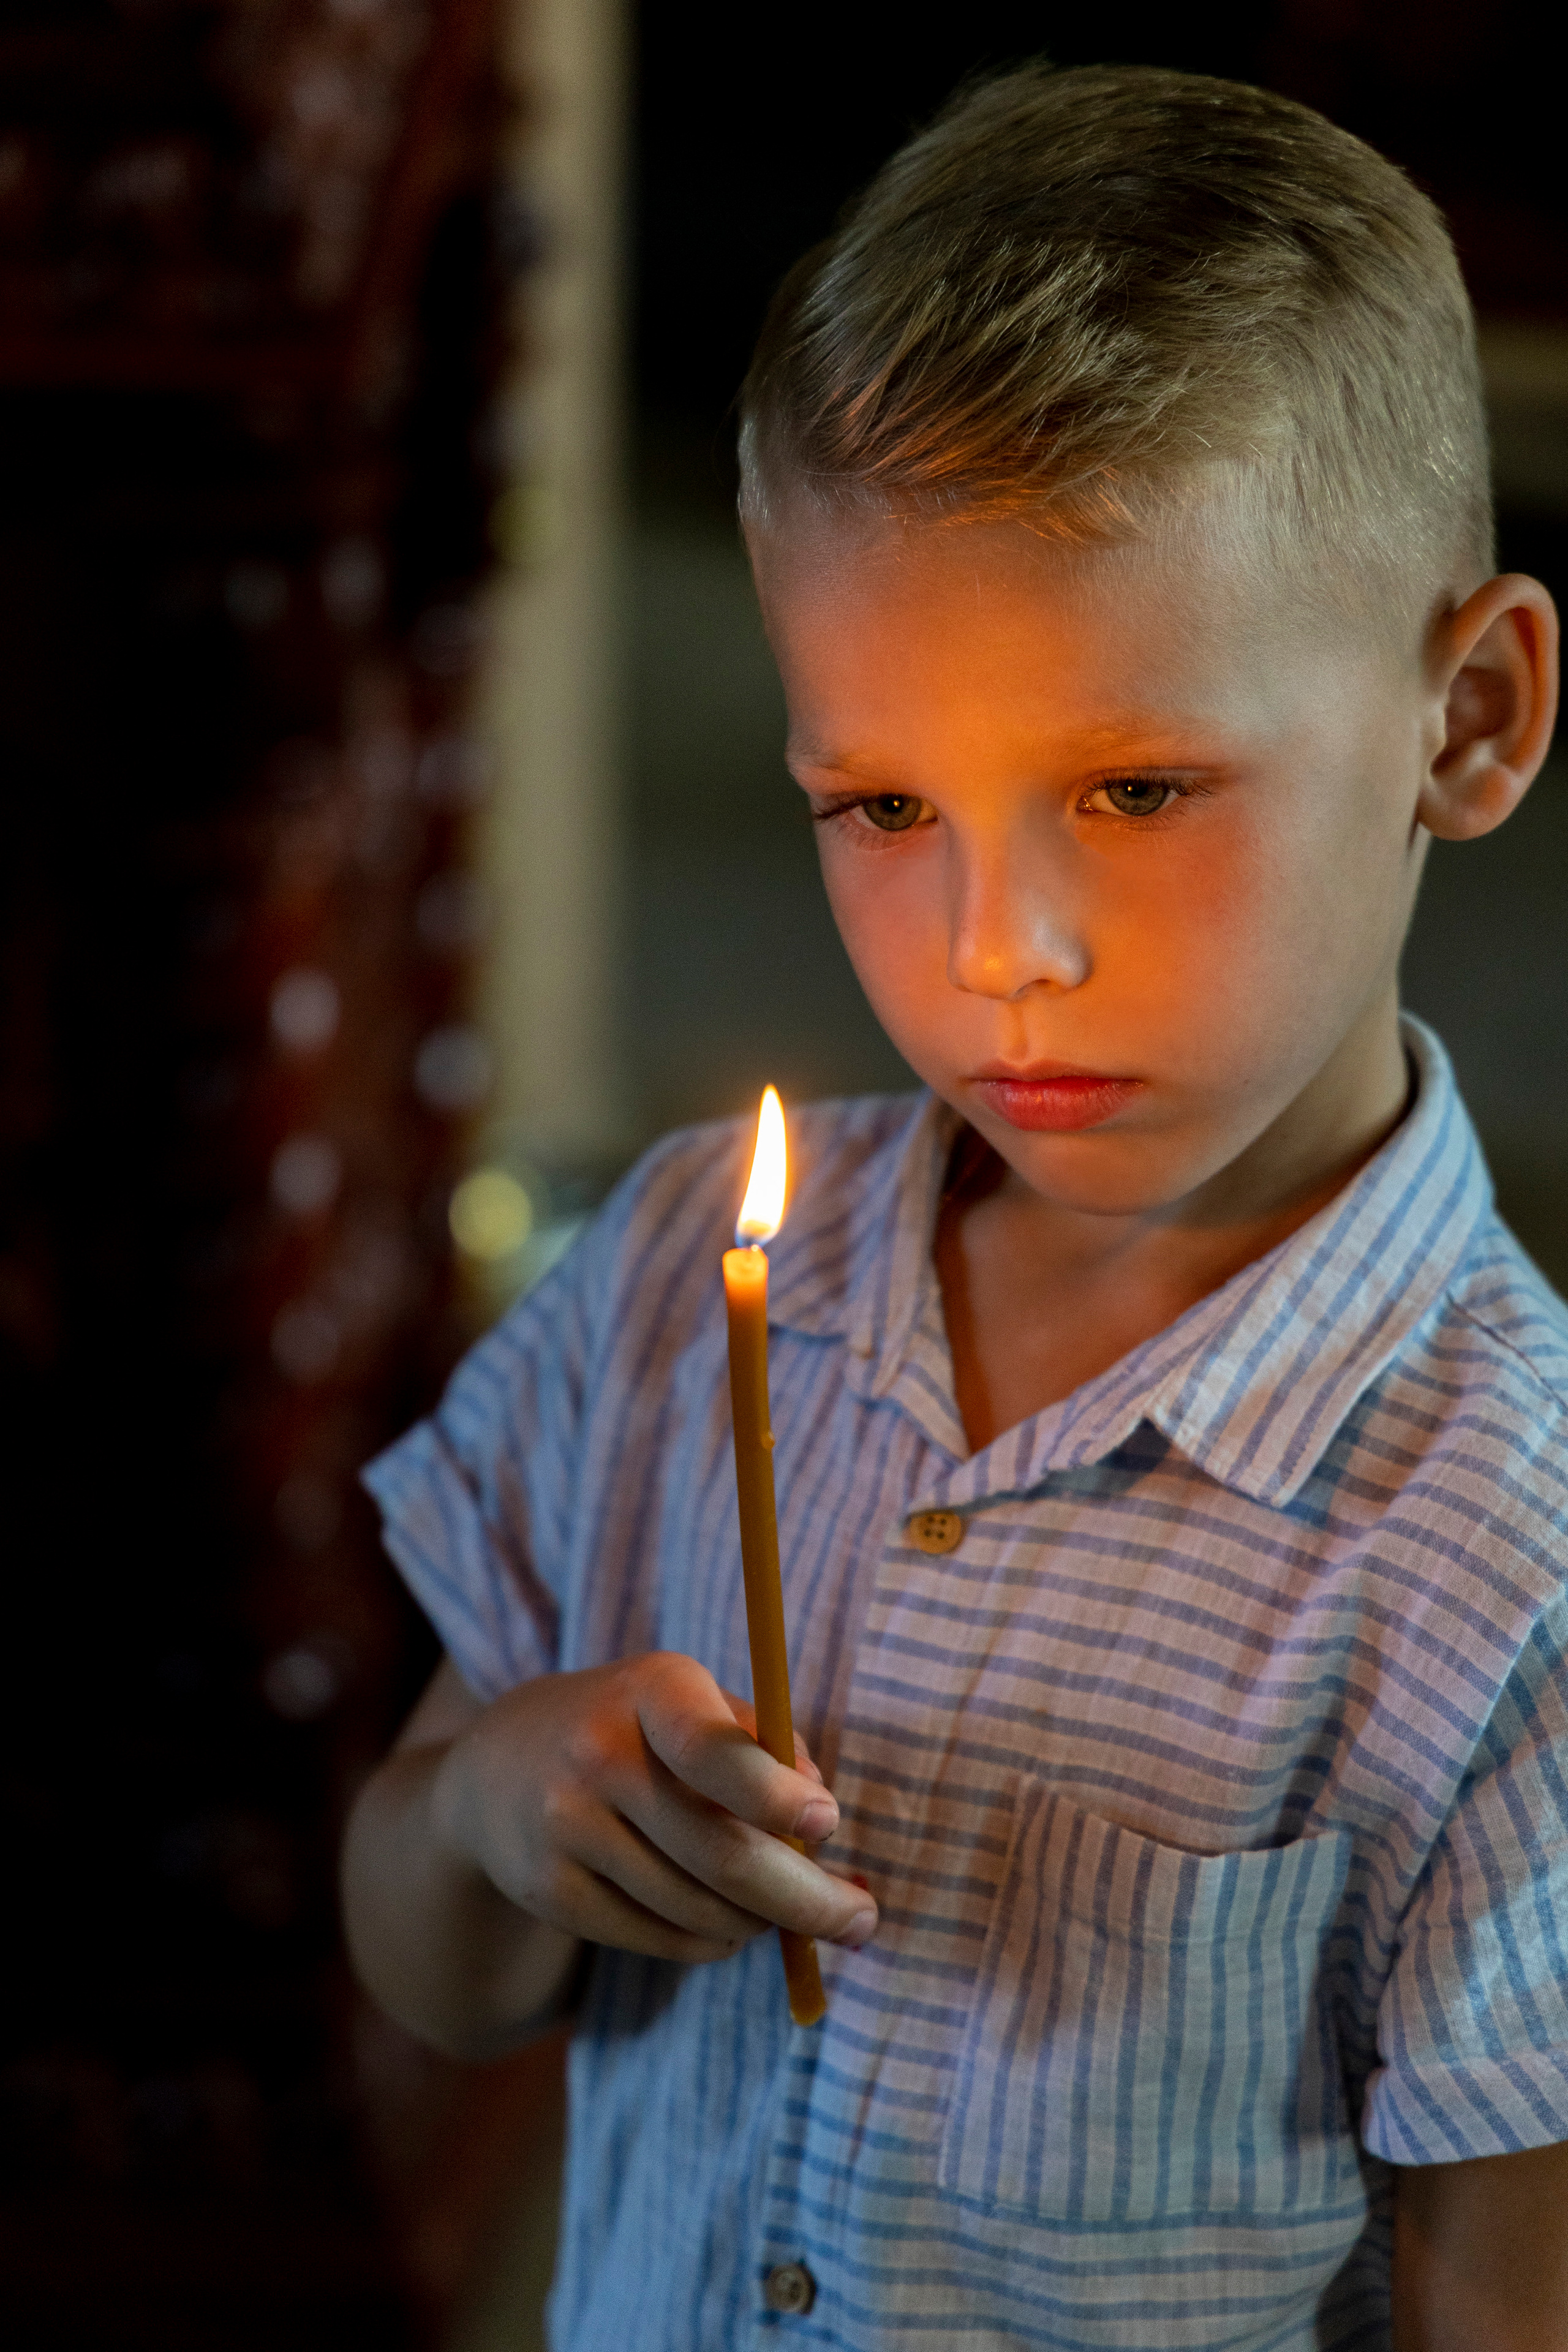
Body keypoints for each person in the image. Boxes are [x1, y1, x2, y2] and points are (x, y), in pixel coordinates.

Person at [342, 62, 1568, 2351]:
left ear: (1470, 720)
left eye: (1133, 783)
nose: (1003, 944)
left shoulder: (1510, 1553)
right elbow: (420, 1952)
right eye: (884, 804)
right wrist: (506, 1815)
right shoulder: (683, 1279)